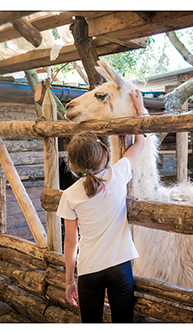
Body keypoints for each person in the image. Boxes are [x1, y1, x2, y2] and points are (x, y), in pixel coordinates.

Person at [56, 89, 148, 323]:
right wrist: (139, 109)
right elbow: (140, 142)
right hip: (120, 268)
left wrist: (69, 281)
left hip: (89, 271)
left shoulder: (69, 195)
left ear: (74, 167)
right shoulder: (118, 175)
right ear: (105, 153)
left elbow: (70, 242)